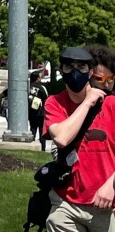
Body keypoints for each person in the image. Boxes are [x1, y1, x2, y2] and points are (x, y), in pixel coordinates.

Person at [44, 45, 115, 232]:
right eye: (69, 67)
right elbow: (62, 138)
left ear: (90, 72)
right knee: (56, 220)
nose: (75, 72)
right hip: (67, 202)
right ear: (62, 70)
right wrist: (87, 102)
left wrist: (112, 185)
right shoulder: (54, 103)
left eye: (81, 67)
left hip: (107, 203)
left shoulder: (111, 105)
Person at [28, 71, 49, 150]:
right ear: (37, 78)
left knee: (33, 129)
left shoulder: (28, 86)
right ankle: (43, 148)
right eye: (40, 77)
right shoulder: (41, 87)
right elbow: (46, 98)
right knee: (41, 130)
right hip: (40, 112)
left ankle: (31, 145)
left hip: (31, 112)